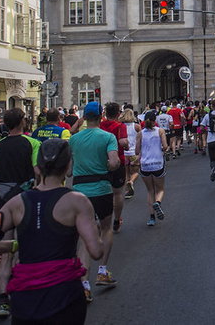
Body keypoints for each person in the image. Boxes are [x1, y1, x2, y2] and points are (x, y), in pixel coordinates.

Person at [0, 138, 104, 325]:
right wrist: (96, 230)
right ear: (68, 166)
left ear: (37, 168)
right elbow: (96, 251)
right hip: (65, 294)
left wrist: (15, 245)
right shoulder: (78, 202)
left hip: (25, 297)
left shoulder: (16, 203)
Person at [0, 108, 40, 319]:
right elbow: (38, 171)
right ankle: (28, 295)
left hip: (2, 203)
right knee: (29, 249)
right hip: (25, 201)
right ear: (22, 122)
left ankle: (3, 300)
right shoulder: (32, 143)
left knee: (5, 253)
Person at [67, 101, 120, 300]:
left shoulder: (74, 139)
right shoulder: (107, 137)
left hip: (79, 190)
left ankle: (84, 283)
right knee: (105, 228)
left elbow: (69, 170)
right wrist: (108, 167)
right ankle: (103, 271)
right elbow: (114, 162)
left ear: (85, 118)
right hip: (101, 188)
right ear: (101, 116)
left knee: (84, 236)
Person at [99, 102, 129, 233]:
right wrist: (127, 145)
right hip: (118, 161)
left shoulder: (100, 125)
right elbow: (123, 142)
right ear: (118, 114)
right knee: (117, 193)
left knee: (103, 192)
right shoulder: (120, 126)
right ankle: (117, 219)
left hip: (101, 162)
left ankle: (102, 219)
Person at [134, 112, 167, 226]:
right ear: (154, 120)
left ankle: (152, 217)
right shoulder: (160, 131)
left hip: (145, 165)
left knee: (150, 191)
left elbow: (137, 151)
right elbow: (165, 146)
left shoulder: (140, 133)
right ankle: (158, 202)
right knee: (160, 189)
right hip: (158, 163)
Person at [121, 108, 140, 199]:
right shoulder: (136, 126)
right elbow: (141, 139)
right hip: (133, 152)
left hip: (124, 153)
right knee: (136, 172)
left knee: (126, 173)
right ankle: (131, 182)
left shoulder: (121, 126)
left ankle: (127, 191)